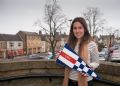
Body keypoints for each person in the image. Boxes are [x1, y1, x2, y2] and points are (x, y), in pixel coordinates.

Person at [62, 17, 99, 86]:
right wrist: (62, 57)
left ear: (84, 29)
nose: (77, 31)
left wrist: (89, 68)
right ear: (72, 30)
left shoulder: (92, 44)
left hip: (86, 82)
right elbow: (67, 62)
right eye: (75, 28)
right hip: (69, 81)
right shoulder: (68, 44)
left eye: (80, 28)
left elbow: (96, 62)